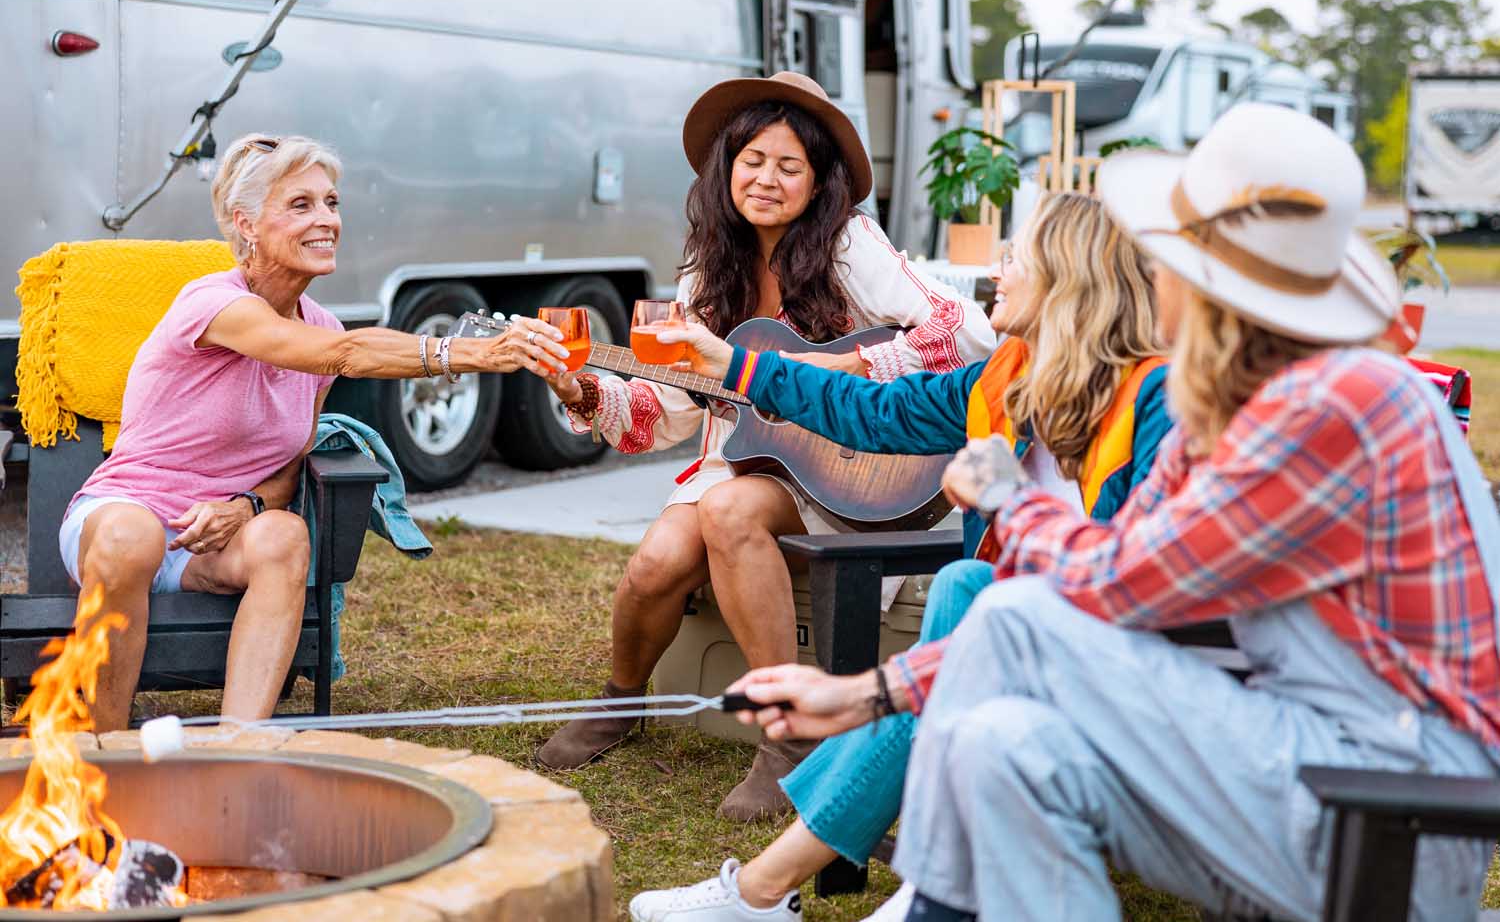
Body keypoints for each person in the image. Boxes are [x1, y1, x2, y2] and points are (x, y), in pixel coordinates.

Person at [716, 103, 1500, 922]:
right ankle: (906, 900)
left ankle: (825, 894)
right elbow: (1085, 595)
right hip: (1280, 752)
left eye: (1160, 254)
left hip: (1392, 807)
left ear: (1200, 281)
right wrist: (875, 693)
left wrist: (1001, 514)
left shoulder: (1330, 405)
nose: (1145, 269)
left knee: (1005, 607)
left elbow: (1122, 590)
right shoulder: (1226, 404)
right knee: (996, 745)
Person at [628, 190, 1172, 921]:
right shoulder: (1005, 378)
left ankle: (778, 892)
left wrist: (1007, 499)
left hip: (1117, 663)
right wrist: (735, 365)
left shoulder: (1158, 399)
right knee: (966, 587)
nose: (997, 272)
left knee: (970, 594)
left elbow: (1151, 573)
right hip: (1014, 648)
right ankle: (865, 889)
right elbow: (870, 413)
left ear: (1070, 276)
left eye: (1017, 256)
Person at [535, 72, 993, 821]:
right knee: (655, 561)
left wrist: (847, 368)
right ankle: (621, 702)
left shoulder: (850, 244)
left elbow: (967, 330)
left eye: (790, 166)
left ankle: (788, 740)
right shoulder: (706, 263)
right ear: (727, 165)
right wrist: (581, 390)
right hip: (748, 456)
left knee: (727, 514)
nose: (767, 179)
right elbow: (677, 404)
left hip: (850, 461)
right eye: (753, 159)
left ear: (818, 184)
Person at [64, 133, 572, 733]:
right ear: (245, 223)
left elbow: (288, 464)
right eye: (300, 205)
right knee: (131, 535)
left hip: (211, 540)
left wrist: (243, 506)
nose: (326, 219)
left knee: (282, 535)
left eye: (331, 202)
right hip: (121, 521)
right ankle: (104, 747)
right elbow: (347, 353)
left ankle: (238, 750)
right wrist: (474, 353)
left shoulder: (321, 326)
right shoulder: (214, 303)